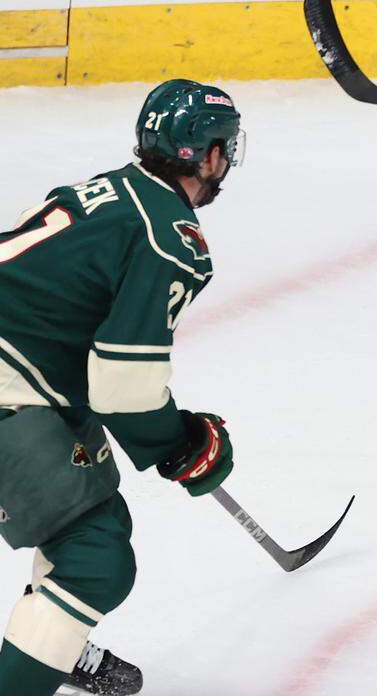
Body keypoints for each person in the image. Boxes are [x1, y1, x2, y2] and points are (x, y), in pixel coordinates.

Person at [0, 80, 243, 694]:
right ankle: (38, 653)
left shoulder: (105, 189)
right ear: (208, 155)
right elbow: (123, 389)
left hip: (26, 376)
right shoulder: (171, 237)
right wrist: (180, 442)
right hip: (11, 386)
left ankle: (50, 641)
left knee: (82, 507)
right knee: (92, 555)